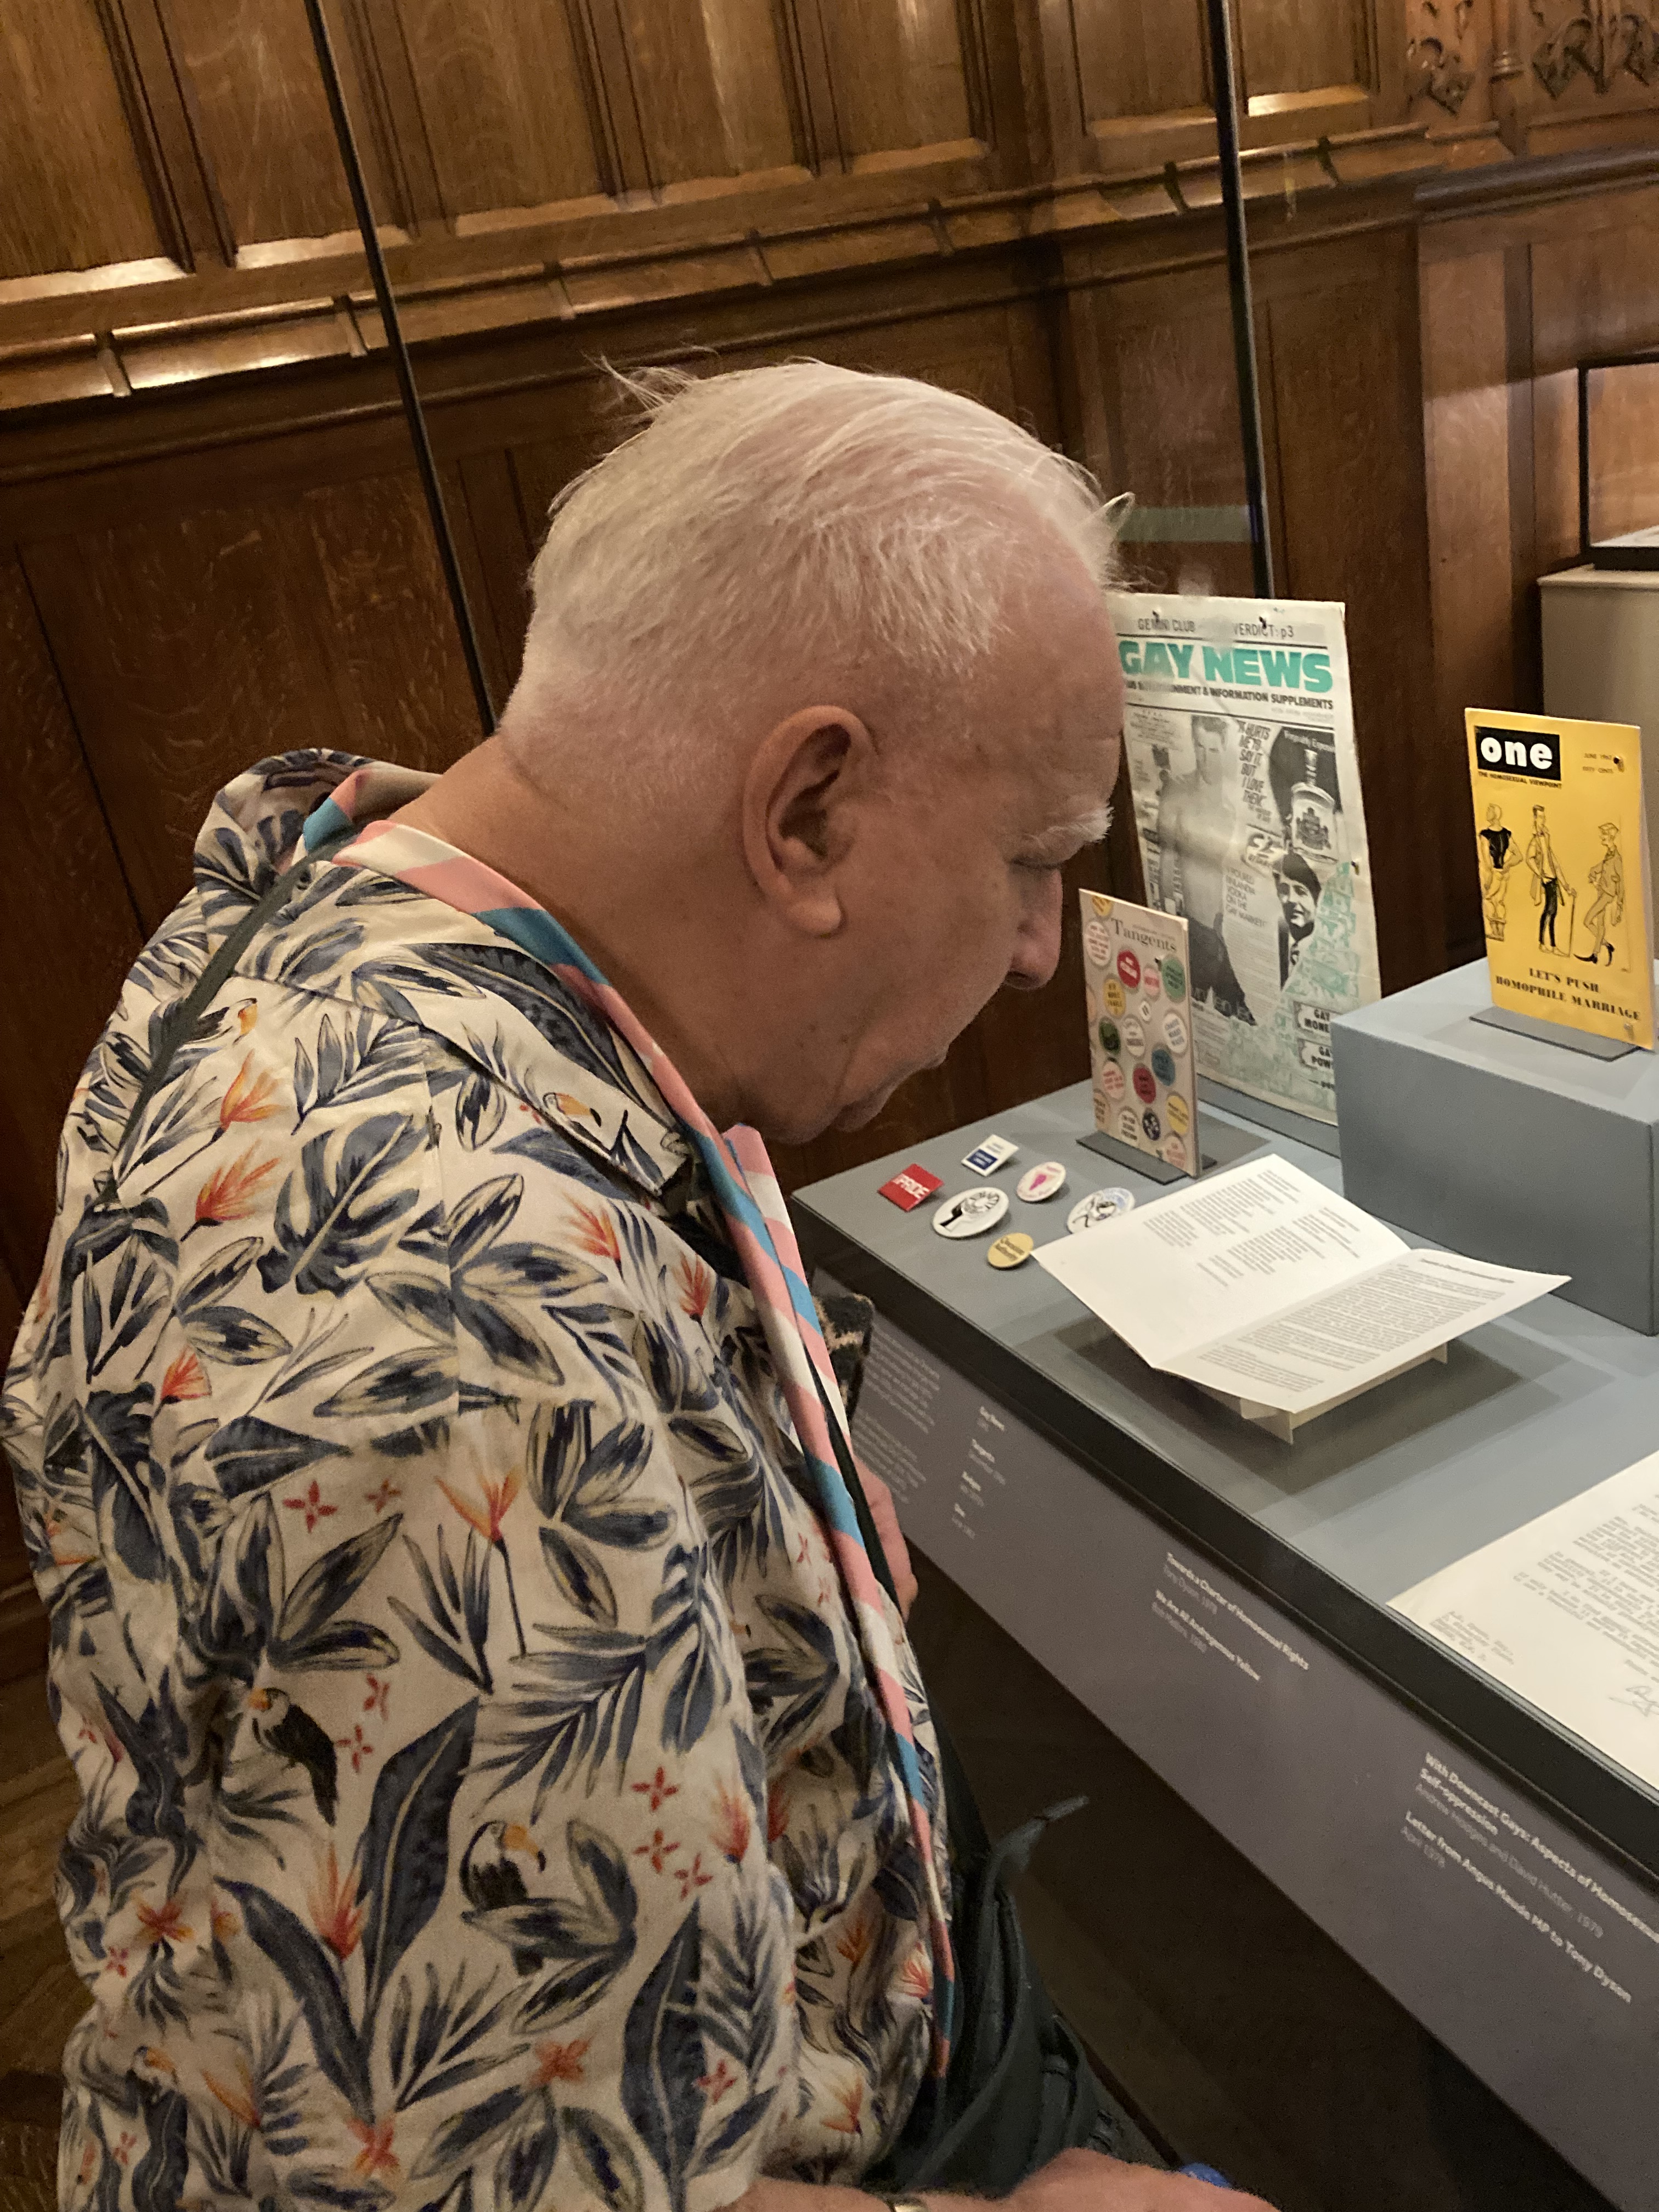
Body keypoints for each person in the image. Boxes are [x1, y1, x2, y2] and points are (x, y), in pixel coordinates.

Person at [2, 365, 1269, 2212]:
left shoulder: (363, 890)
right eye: (1034, 859)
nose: (1033, 950)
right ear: (806, 811)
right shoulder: (443, 1330)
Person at [1154, 716, 1254, 1022]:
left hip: (1233, 930)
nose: (1205, 758)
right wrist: (1169, 921)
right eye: (1199, 746)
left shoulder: (1235, 804)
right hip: (1197, 926)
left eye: (1213, 750)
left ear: (1224, 749)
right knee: (1196, 1013)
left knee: (1236, 1020)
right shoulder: (1178, 791)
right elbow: (1167, 857)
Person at [1576, 821, 1624, 964]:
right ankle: (1596, 954)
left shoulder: (1617, 859)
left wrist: (1619, 906)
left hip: (1608, 895)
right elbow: (1596, 869)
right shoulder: (1608, 856)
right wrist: (1594, 880)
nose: (1601, 836)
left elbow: (1621, 883)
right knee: (1600, 925)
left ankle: (1606, 945)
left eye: (1604, 834)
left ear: (1611, 836)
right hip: (1602, 892)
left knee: (1587, 921)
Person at [1526, 804, 1572, 950]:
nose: (1543, 820)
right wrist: (1540, 875)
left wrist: (1566, 886)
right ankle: (1543, 943)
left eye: (1544, 817)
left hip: (1553, 879)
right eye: (1540, 817)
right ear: (1535, 818)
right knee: (1549, 911)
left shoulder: (1546, 839)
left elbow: (1556, 865)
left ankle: (1552, 945)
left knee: (1553, 913)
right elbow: (1529, 859)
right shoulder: (1535, 841)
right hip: (1546, 880)